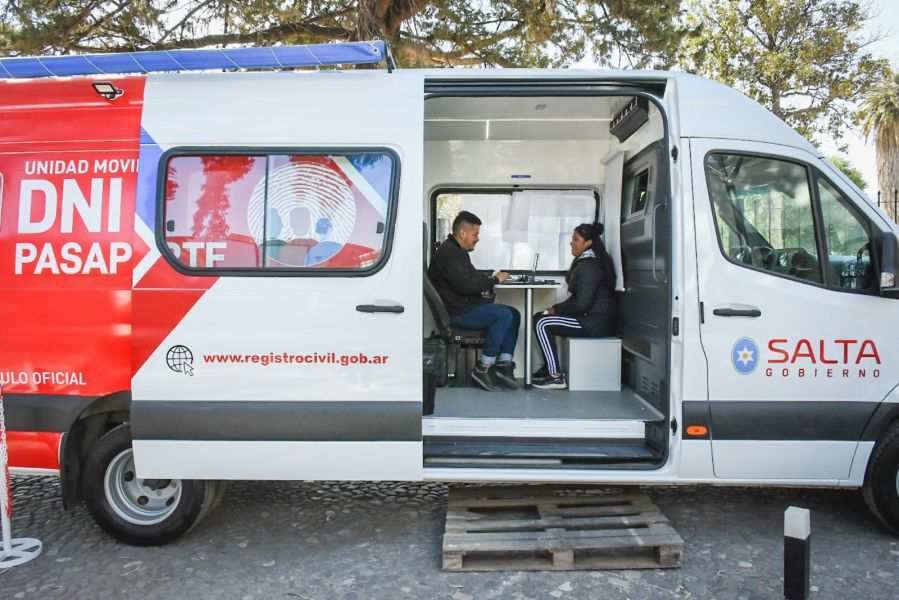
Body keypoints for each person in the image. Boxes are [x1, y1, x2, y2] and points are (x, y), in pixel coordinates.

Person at [429, 211, 521, 392]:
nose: (477, 239)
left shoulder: (457, 252)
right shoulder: (449, 253)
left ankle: (503, 365)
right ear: (463, 233)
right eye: (475, 234)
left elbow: (468, 276)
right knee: (503, 315)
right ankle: (483, 369)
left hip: (464, 307)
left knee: (514, 314)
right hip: (457, 313)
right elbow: (465, 285)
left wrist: (488, 277)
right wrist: (495, 280)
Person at [532, 222, 616, 390]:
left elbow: (582, 304)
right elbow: (578, 299)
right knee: (539, 318)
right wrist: (554, 308)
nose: (571, 243)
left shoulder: (589, 267)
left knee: (542, 322)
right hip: (590, 318)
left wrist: (556, 310)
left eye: (575, 239)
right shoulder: (586, 263)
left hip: (596, 323)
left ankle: (555, 376)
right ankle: (550, 368)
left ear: (588, 243)